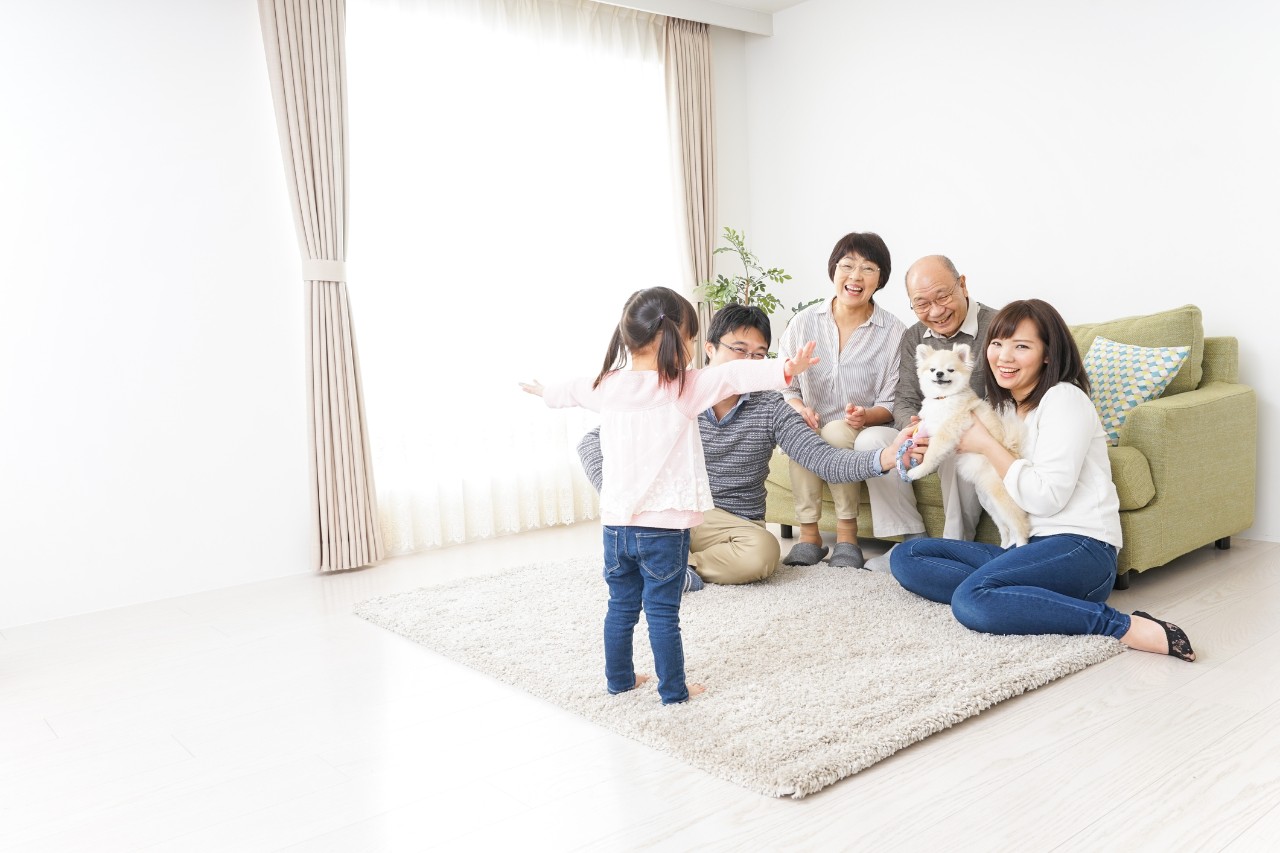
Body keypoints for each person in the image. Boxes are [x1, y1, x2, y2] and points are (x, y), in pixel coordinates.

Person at [520, 286, 821, 704]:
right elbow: (734, 375)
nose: (695, 349)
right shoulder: (685, 388)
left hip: (616, 526)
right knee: (662, 613)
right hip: (663, 529)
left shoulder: (607, 385)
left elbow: (569, 390)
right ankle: (674, 691)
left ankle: (619, 679)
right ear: (676, 341)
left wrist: (544, 391)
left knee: (621, 606)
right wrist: (786, 369)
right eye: (693, 340)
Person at [889, 299, 1196, 662]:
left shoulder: (1065, 399)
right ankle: (1019, 592)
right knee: (907, 555)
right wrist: (923, 448)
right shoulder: (1001, 408)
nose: (1004, 356)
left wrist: (986, 444)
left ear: (1048, 355)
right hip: (1027, 547)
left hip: (1081, 548)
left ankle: (1122, 626)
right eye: (997, 344)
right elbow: (988, 482)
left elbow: (1046, 498)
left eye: (1021, 346)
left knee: (971, 601)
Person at [578, 303, 920, 590]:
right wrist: (619, 494)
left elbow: (822, 459)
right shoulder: (677, 393)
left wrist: (885, 458)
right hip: (680, 513)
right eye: (739, 350)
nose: (749, 362)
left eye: (760, 355)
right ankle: (666, 564)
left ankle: (672, 568)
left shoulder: (771, 406)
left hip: (739, 527)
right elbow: (592, 441)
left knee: (764, 555)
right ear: (709, 349)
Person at [858, 255, 999, 571]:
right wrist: (912, 428)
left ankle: (953, 550)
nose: (935, 311)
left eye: (943, 296)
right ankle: (911, 543)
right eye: (921, 304)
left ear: (962, 285)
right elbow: (904, 398)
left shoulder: (999, 326)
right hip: (926, 426)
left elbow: (1005, 398)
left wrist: (946, 429)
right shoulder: (913, 338)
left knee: (954, 442)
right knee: (871, 440)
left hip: (972, 428)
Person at [777, 231, 908, 569]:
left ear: (880, 279)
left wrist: (865, 415)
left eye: (867, 268)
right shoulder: (803, 322)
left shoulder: (893, 332)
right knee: (800, 434)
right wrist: (800, 409)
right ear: (834, 271)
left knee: (834, 433)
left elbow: (891, 402)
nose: (855, 276)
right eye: (847, 266)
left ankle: (847, 537)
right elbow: (784, 386)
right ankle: (810, 537)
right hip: (809, 422)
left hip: (856, 429)